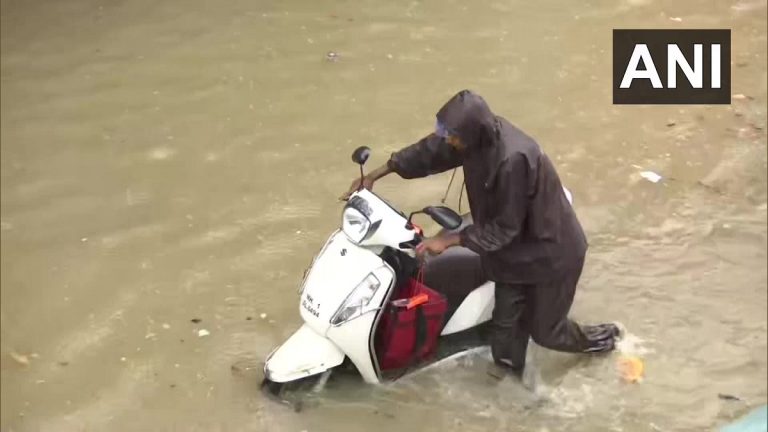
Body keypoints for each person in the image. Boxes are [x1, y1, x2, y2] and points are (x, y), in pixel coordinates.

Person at [341, 89, 619, 377]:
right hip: (513, 257)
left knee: (547, 333)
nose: (448, 140)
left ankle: (608, 340)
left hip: (550, 252)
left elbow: (504, 228)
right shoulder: (469, 140)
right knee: (504, 333)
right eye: (446, 133)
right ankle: (511, 390)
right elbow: (428, 152)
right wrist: (376, 174)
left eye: (452, 135)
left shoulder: (513, 159)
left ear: (473, 134)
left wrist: (449, 240)